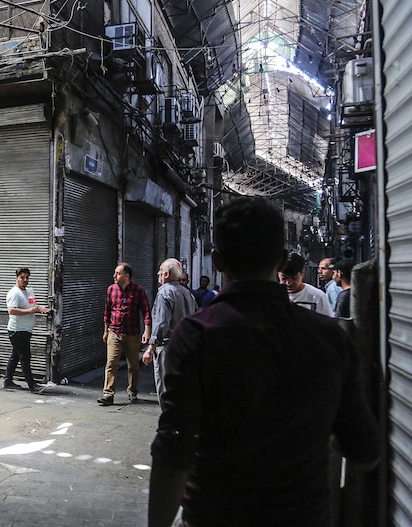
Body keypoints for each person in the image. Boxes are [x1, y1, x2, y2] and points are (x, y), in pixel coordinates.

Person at [147, 197, 379, 527]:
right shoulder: (328, 337)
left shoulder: (196, 335)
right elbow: (364, 450)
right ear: (281, 259)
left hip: (215, 515)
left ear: (217, 261)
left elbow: (173, 448)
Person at [141, 259, 196, 403]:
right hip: (184, 347)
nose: (158, 273)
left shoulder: (164, 293)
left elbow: (161, 324)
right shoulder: (187, 293)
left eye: (160, 271)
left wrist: (150, 348)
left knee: (166, 388)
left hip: (167, 348)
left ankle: (170, 422)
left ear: (166, 274)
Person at [99, 263, 151, 406]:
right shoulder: (111, 290)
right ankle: (108, 394)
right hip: (114, 333)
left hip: (132, 334)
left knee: (133, 365)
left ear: (126, 276)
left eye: (117, 273)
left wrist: (147, 331)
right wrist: (105, 331)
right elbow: (107, 312)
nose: (114, 276)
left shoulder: (138, 291)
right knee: (111, 363)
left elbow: (146, 312)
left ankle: (132, 391)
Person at [4, 267, 48, 394]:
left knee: (15, 356)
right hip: (17, 331)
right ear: (16, 278)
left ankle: (8, 381)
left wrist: (39, 308)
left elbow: (32, 305)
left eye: (27, 277)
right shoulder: (14, 293)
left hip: (26, 330)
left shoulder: (29, 291)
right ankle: (32, 386)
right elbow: (11, 310)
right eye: (22, 277)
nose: (25, 280)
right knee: (25, 357)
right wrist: (31, 311)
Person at [279, 252, 334, 317]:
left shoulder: (317, 297)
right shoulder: (273, 296)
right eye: (284, 278)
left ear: (302, 273)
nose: (288, 283)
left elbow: (328, 323)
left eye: (294, 278)